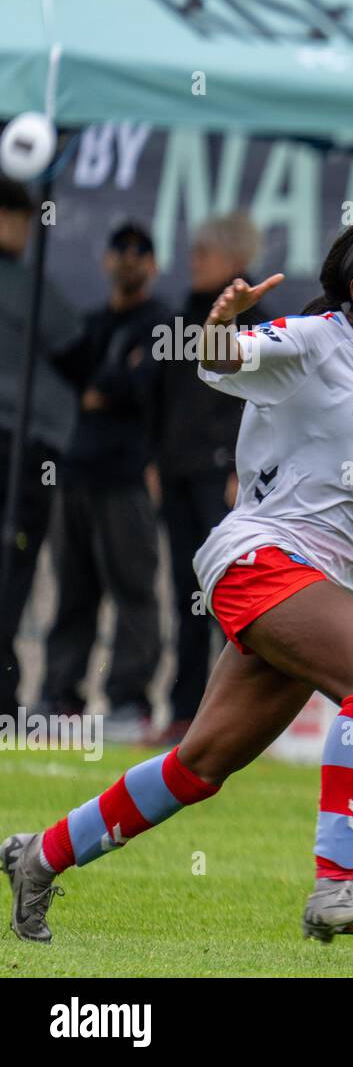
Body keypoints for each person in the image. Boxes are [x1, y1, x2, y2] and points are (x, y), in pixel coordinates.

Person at [3, 210, 353, 944]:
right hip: (261, 558)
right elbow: (220, 359)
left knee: (198, 768)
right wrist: (220, 323)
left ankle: (38, 857)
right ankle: (334, 885)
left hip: (315, 582)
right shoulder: (312, 341)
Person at [39, 222, 167, 740]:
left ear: (153, 265)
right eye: (122, 251)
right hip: (74, 475)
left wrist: (106, 385)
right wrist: (105, 383)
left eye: (141, 252)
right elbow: (74, 382)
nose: (130, 260)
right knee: (73, 592)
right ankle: (59, 697)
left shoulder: (161, 324)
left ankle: (127, 701)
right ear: (106, 260)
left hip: (126, 477)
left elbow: (131, 386)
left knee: (134, 590)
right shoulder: (89, 325)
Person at [153, 214, 277, 746]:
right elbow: (162, 400)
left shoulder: (263, 325)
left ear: (234, 263)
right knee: (185, 592)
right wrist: (154, 462)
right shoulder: (182, 317)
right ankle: (184, 715)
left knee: (230, 598)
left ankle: (237, 720)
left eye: (204, 253)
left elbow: (263, 405)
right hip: (178, 474)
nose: (193, 259)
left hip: (223, 480)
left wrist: (236, 470)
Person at [0, 177, 80, 718]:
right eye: (20, 219)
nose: (26, 232)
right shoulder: (18, 283)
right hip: (21, 448)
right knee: (12, 570)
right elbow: (73, 346)